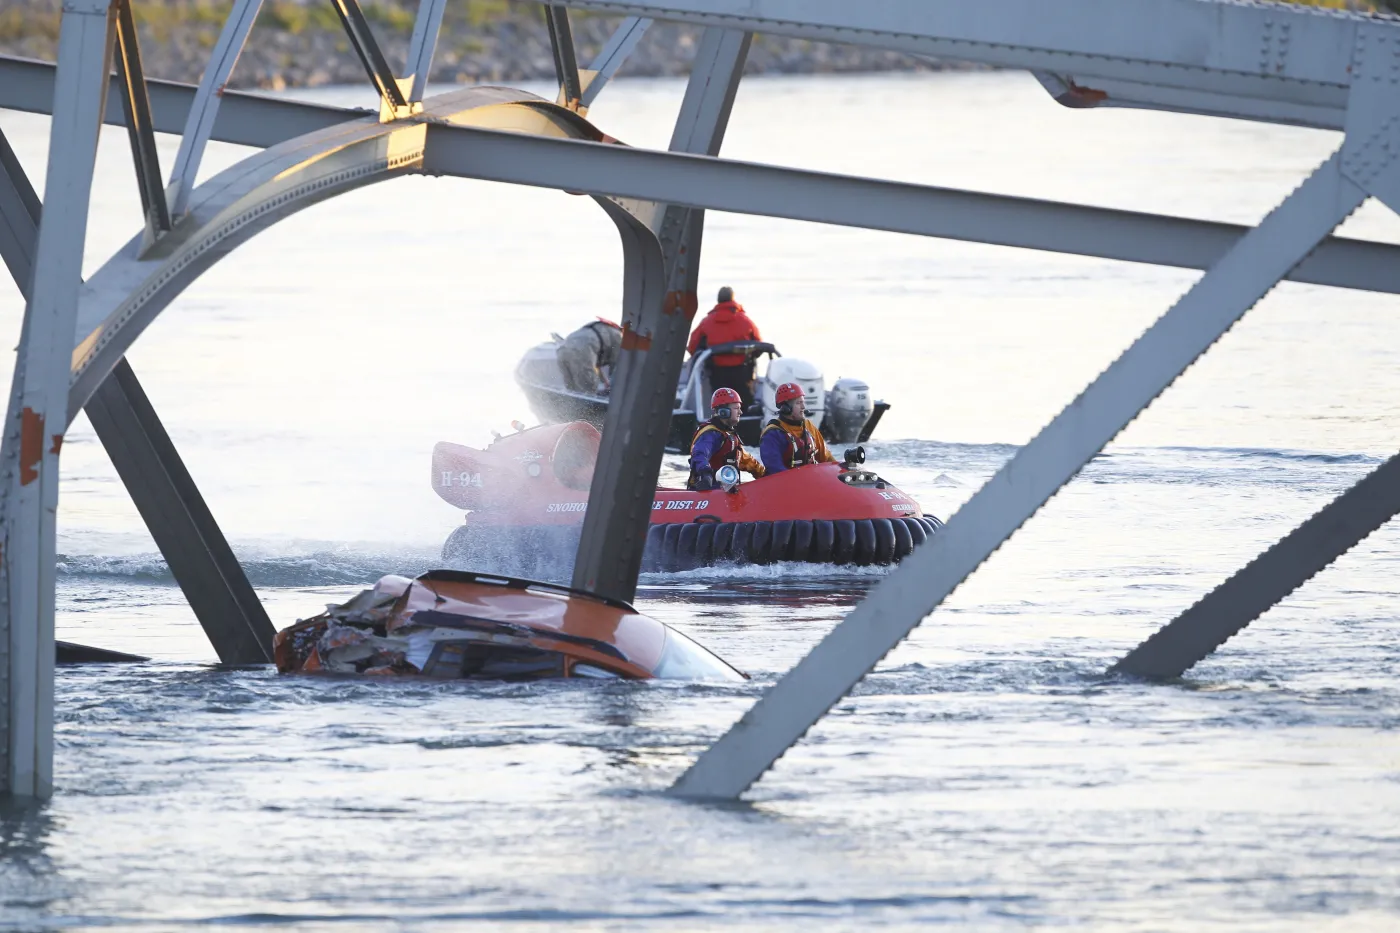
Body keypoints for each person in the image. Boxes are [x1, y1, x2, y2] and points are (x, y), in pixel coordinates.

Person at [687, 286, 762, 411]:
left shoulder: (706, 322)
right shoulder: (746, 321)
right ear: (733, 300)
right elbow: (759, 345)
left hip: (717, 375)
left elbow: (692, 348)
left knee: (721, 404)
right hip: (743, 374)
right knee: (745, 403)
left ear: (718, 301)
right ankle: (748, 421)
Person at [688, 387, 765, 491]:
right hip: (709, 492)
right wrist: (706, 474)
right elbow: (700, 454)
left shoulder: (731, 436)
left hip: (727, 493)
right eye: (737, 408)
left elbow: (747, 461)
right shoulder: (710, 434)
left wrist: (765, 475)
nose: (740, 412)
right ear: (723, 411)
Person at [760, 382, 836, 474]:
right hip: (787, 484)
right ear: (785, 408)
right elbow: (775, 470)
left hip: (811, 480)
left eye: (803, 402)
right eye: (799, 403)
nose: (803, 407)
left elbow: (826, 457)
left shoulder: (808, 425)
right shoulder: (772, 434)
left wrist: (838, 470)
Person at [557, 318, 622, 395]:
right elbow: (616, 369)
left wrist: (605, 381)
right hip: (582, 349)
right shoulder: (619, 338)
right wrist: (613, 388)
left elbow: (595, 365)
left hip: (563, 348)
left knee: (571, 391)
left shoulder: (604, 329)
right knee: (588, 391)